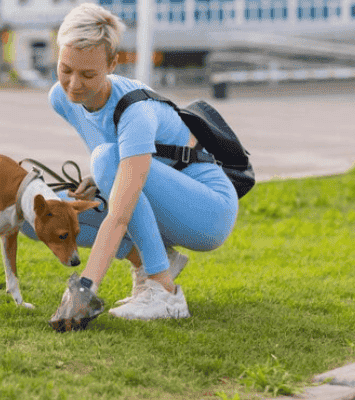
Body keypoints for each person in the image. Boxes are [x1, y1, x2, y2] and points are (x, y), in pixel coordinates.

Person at [47, 3, 239, 328]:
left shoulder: (136, 111)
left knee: (108, 161)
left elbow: (121, 211)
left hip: (208, 211)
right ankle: (155, 259)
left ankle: (165, 291)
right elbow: (110, 149)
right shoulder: (61, 98)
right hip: (156, 189)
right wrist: (99, 177)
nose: (74, 84)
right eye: (66, 69)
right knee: (43, 215)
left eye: (88, 74)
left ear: (112, 64)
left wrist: (85, 287)